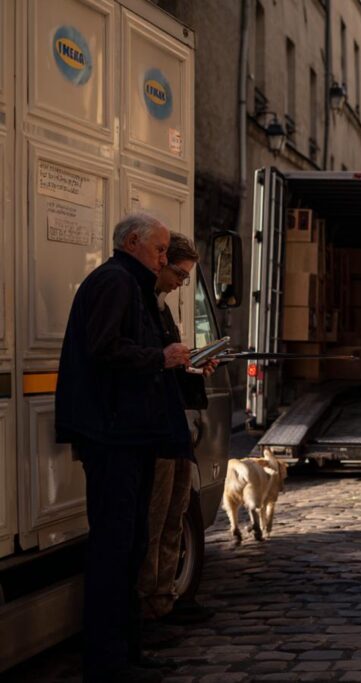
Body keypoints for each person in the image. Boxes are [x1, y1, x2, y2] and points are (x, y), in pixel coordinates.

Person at [55, 213, 192, 682]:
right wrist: (161, 356)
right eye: (159, 250)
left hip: (129, 433)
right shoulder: (116, 282)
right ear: (132, 243)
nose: (162, 258)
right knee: (115, 546)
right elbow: (104, 349)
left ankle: (127, 652)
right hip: (112, 435)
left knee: (130, 543)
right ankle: (108, 659)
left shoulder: (131, 283)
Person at [138, 233, 216, 627]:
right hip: (156, 431)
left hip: (172, 428)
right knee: (154, 522)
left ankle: (168, 598)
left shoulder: (160, 306)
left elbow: (167, 362)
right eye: (179, 274)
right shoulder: (140, 301)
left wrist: (194, 364)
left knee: (176, 514)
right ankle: (151, 606)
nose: (181, 282)